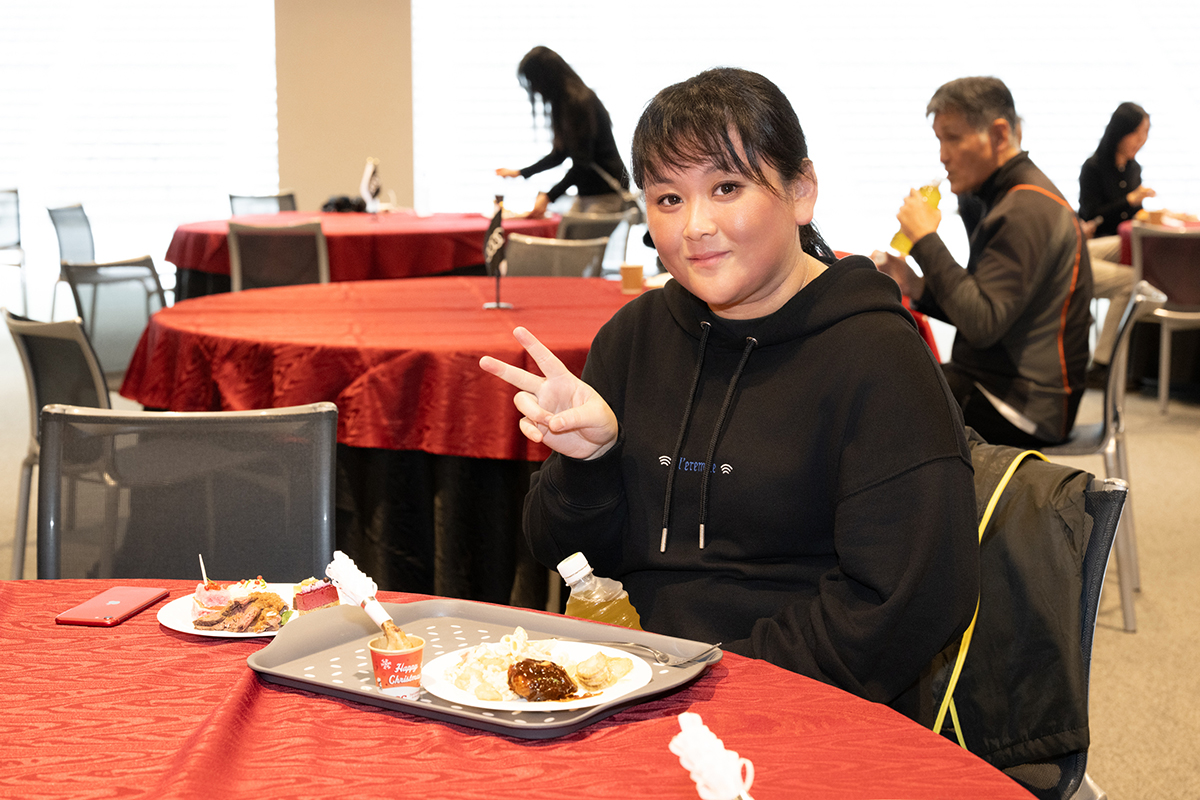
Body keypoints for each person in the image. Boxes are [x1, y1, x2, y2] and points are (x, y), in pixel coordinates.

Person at [480, 67, 978, 725]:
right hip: (625, 686)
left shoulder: (876, 357)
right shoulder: (635, 337)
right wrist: (589, 463)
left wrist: (710, 685)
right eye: (668, 198)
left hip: (797, 706)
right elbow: (560, 552)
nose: (696, 226)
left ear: (801, 191)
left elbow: (908, 601)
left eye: (726, 188)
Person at [873, 76, 1092, 449]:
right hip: (1003, 384)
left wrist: (926, 240)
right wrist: (916, 285)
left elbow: (981, 324)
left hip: (1025, 405)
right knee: (880, 382)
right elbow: (985, 306)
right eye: (939, 140)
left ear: (999, 135)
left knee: (875, 401)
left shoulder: (1026, 207)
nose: (943, 155)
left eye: (953, 138)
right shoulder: (1011, 197)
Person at [495, 46, 629, 219]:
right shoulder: (565, 104)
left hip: (605, 193)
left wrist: (549, 197)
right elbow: (560, 154)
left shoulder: (578, 103)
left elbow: (582, 163)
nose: (535, 90)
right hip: (589, 193)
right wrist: (521, 173)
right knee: (564, 232)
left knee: (571, 235)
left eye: (533, 82)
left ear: (544, 78)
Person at [1079, 102, 1154, 387]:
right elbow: (1091, 215)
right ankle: (1102, 364)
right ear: (1121, 132)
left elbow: (1133, 217)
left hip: (1119, 246)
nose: (1142, 140)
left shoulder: (1134, 168)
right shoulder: (1093, 167)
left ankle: (1113, 364)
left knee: (1141, 272)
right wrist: (1129, 201)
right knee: (1133, 280)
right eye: (1138, 132)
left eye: (1146, 133)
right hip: (1096, 243)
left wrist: (1144, 213)